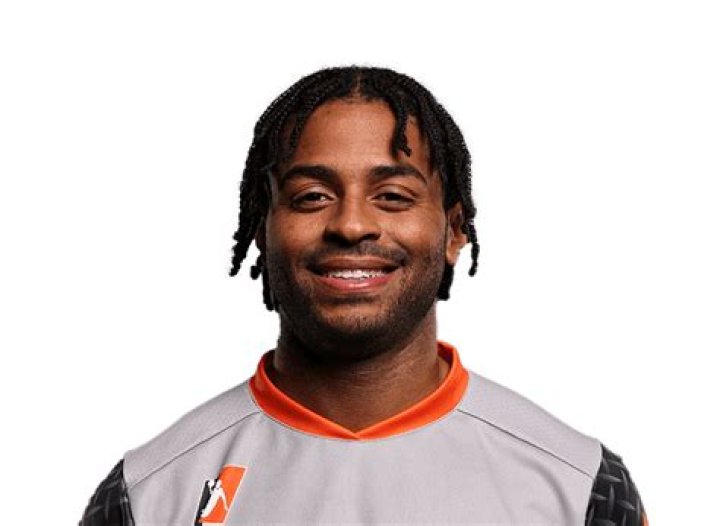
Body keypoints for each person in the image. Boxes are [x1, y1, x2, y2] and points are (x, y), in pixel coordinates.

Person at [80, 66, 648, 525]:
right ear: (262, 230)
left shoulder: (579, 489)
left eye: (393, 196)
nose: (351, 225)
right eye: (312, 196)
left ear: (454, 232)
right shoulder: (147, 495)